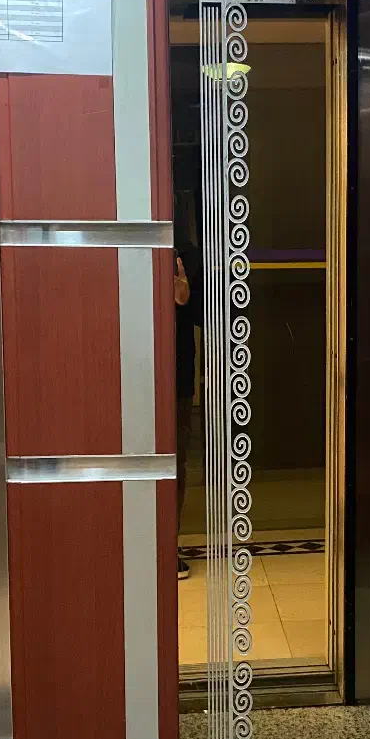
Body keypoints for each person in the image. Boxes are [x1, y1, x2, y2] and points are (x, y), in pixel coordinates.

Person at [174, 248, 196, 580]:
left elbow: (216, 314)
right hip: (131, 376)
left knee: (175, 463)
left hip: (177, 379)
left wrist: (184, 298)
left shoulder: (188, 256)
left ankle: (169, 544)